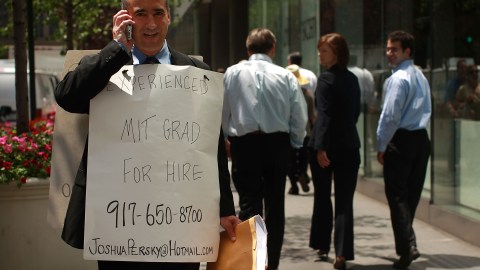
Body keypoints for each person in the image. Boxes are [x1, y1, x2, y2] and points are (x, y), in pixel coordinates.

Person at [54, 0, 240, 269]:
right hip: (117, 224)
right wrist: (118, 48)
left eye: (158, 13)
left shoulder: (198, 73)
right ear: (125, 19)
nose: (151, 24)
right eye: (140, 14)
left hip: (181, 223)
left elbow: (212, 149)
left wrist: (225, 208)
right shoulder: (108, 67)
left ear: (168, 18)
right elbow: (67, 98)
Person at [222, 28, 308, 270]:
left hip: (244, 143)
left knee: (249, 204)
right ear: (272, 49)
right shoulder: (285, 75)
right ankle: (272, 264)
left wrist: (226, 137)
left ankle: (252, 263)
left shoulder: (232, 73)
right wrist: (297, 143)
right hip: (277, 143)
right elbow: (299, 115)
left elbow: (222, 110)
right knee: (275, 204)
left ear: (248, 49)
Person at [377, 30, 431, 269]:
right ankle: (408, 244)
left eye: (394, 49)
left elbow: (389, 116)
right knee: (410, 196)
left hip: (402, 140)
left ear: (407, 51)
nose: (389, 53)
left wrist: (381, 144)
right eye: (388, 49)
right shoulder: (420, 76)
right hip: (421, 140)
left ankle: (408, 246)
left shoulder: (398, 78)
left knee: (398, 197)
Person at [308, 33, 361, 270]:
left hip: (326, 146)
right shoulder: (353, 79)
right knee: (344, 201)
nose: (320, 54)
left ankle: (322, 244)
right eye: (320, 50)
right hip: (349, 146)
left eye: (325, 51)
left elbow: (324, 116)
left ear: (337, 53)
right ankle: (341, 253)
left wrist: (321, 147)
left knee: (322, 196)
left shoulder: (325, 79)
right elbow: (355, 113)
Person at [285, 64, 316, 195]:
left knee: (289, 159)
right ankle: (302, 173)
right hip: (305, 131)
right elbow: (312, 116)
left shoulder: (284, 95)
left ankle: (294, 186)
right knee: (303, 156)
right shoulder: (307, 94)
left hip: (288, 131)